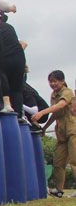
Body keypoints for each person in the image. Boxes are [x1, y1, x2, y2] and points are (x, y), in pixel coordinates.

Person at [31, 70, 76, 198]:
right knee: (58, 163)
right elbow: (55, 114)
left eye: (55, 81)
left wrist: (42, 113)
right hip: (61, 132)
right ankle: (59, 190)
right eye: (51, 81)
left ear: (62, 81)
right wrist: (45, 127)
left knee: (74, 160)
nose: (53, 84)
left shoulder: (67, 92)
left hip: (73, 129)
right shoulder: (53, 95)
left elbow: (61, 105)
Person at [0, 12, 27, 117]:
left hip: (4, 58)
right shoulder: (9, 27)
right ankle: (18, 116)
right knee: (17, 90)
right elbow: (23, 44)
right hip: (19, 58)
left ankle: (7, 114)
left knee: (4, 88)